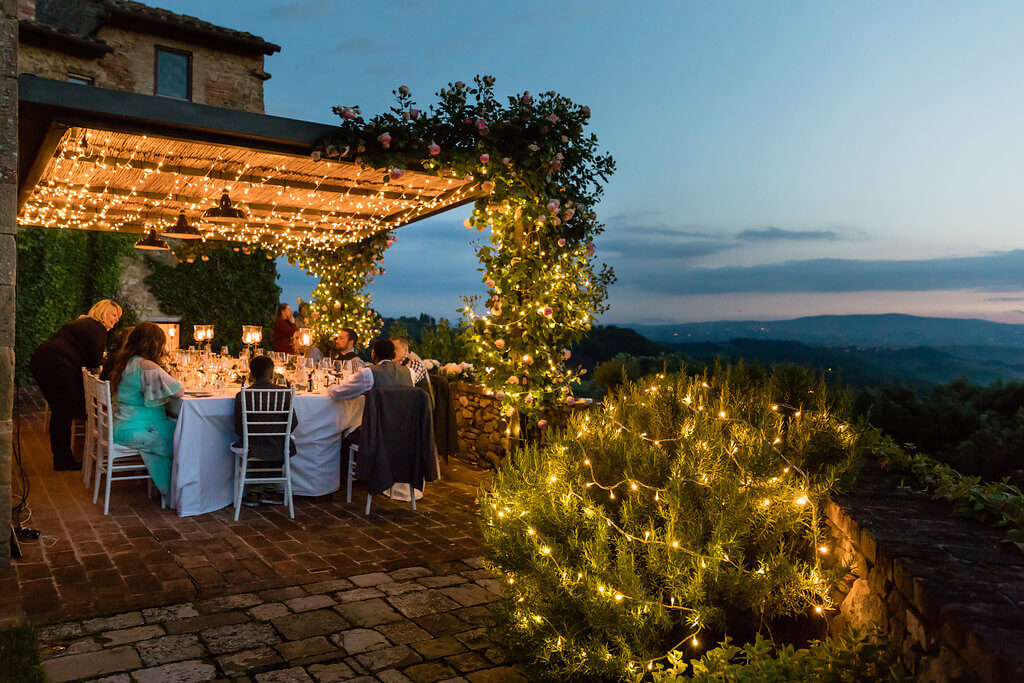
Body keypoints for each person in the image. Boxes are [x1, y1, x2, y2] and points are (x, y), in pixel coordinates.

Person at [30, 299, 122, 470]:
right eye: (114, 314)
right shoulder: (98, 328)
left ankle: (63, 458)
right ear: (102, 312)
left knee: (61, 411)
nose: (116, 319)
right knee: (63, 411)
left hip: (44, 359)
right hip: (55, 363)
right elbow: (94, 360)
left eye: (118, 317)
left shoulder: (85, 324)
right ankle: (63, 460)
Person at [106, 322, 183, 497]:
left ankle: (162, 484)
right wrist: (173, 377)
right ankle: (177, 488)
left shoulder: (128, 361)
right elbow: (179, 391)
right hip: (135, 430)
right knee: (184, 433)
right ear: (155, 344)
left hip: (121, 425)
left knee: (175, 428)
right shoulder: (146, 365)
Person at [234, 355, 299, 506]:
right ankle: (270, 489)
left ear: (251, 374)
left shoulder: (242, 395)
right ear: (272, 373)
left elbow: (238, 428)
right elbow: (293, 423)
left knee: (255, 441)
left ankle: (253, 491)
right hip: (277, 446)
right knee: (278, 440)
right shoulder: (284, 393)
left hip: (253, 446)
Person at [327, 338, 412, 401]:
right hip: (406, 423)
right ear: (393, 355)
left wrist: (331, 386)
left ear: (373, 354)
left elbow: (340, 393)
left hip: (378, 423)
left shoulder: (369, 373)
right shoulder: (409, 372)